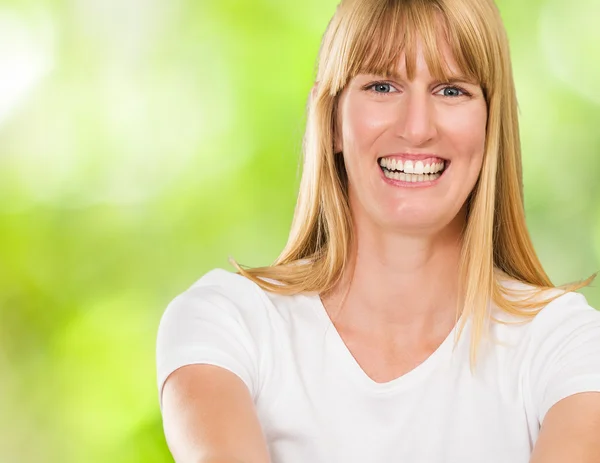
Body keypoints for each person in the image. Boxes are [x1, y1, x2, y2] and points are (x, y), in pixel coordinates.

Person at [156, 0, 600, 462]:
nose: (417, 128)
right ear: (330, 121)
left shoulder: (566, 345)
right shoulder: (229, 325)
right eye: (382, 85)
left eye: (451, 90)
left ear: (491, 125)